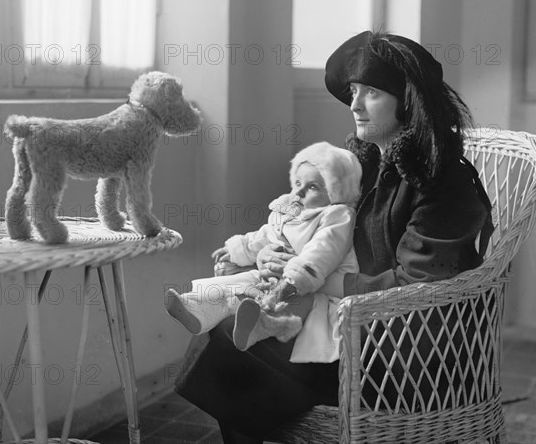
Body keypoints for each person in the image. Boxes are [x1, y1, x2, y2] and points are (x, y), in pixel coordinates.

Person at [173, 30, 494, 444]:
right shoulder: (362, 164)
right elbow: (317, 227)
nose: (355, 104)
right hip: (338, 322)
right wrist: (277, 251)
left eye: (373, 92)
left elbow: (421, 286)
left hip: (405, 350)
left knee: (233, 350)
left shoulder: (445, 181)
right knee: (227, 336)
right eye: (354, 91)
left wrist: (306, 276)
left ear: (409, 102)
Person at [165, 141, 361, 360]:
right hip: (276, 277)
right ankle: (200, 309)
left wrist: (294, 279)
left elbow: (322, 251)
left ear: (336, 193)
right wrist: (240, 250)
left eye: (313, 187)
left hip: (316, 288)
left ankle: (269, 324)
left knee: (296, 301)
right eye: (297, 182)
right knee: (241, 286)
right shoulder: (289, 209)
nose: (299, 191)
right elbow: (266, 234)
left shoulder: (337, 216)